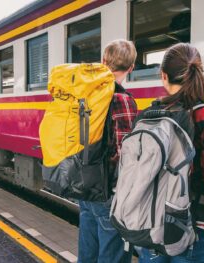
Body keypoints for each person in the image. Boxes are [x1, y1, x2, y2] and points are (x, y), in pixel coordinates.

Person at [139, 43, 204, 262]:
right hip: (193, 229)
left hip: (150, 224)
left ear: (163, 76)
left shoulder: (149, 115)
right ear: (200, 73)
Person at [78, 39, 137, 263]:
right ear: (131, 68)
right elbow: (126, 154)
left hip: (85, 185)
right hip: (109, 192)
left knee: (88, 254)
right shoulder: (122, 99)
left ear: (103, 61)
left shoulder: (86, 95)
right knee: (112, 256)